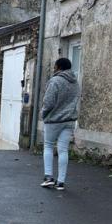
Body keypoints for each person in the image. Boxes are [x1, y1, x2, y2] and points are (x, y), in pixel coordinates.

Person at [40, 57, 80, 191]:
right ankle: (61, 182)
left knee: (48, 146)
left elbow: (49, 102)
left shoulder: (55, 81)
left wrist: (44, 114)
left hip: (54, 120)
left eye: (55, 66)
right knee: (63, 150)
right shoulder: (75, 83)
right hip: (69, 120)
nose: (54, 68)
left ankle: (48, 178)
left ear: (58, 67)